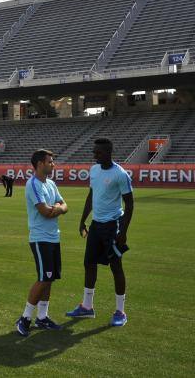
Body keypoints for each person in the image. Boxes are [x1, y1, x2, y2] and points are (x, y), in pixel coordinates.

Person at [67, 138, 134, 327]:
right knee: (89, 263)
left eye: (98, 152)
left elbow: (129, 203)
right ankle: (87, 307)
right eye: (94, 152)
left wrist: (124, 232)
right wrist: (82, 220)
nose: (94, 155)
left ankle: (120, 311)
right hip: (96, 225)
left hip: (113, 226)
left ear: (108, 152)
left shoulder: (120, 174)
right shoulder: (94, 170)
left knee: (116, 266)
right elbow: (91, 195)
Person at [15, 149, 68, 337]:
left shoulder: (51, 184)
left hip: (54, 237)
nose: (53, 165)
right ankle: (25, 318)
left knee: (50, 278)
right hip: (40, 238)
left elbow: (65, 205)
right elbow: (45, 212)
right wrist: (57, 209)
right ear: (39, 164)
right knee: (43, 278)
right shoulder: (33, 184)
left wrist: (58, 209)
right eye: (50, 162)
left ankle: (42, 317)